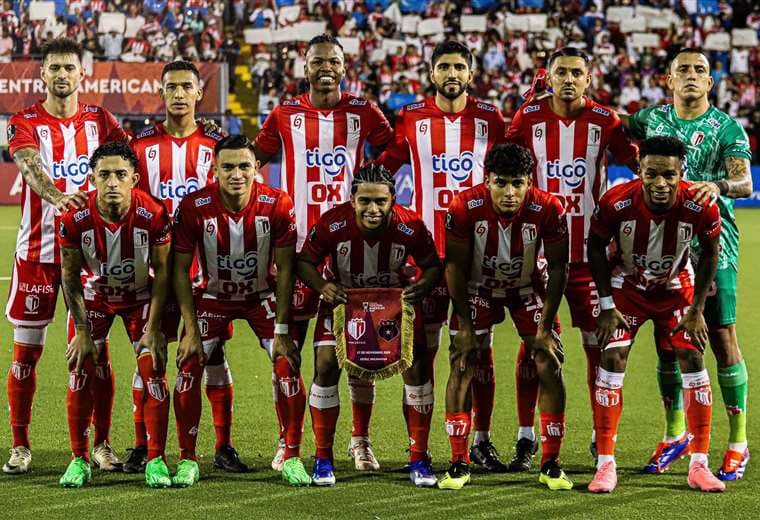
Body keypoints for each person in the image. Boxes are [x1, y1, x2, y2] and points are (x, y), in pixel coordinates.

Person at [253, 34, 393, 472]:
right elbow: (254, 157)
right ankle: (287, 439)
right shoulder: (285, 113)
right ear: (305, 66)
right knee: (287, 351)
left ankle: (360, 440)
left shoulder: (363, 112)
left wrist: (372, 190)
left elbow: (391, 148)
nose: (325, 67)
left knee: (356, 351)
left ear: (345, 65)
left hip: (349, 251)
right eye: (318, 62)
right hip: (295, 251)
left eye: (333, 60)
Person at [505, 47, 639, 470]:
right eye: (560, 72)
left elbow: (638, 165)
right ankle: (527, 437)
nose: (568, 79)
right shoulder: (530, 118)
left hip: (588, 256)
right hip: (536, 256)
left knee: (596, 347)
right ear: (549, 76)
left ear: (588, 77)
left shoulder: (606, 120)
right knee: (534, 348)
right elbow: (506, 160)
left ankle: (602, 440)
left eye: (576, 72)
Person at [622, 48, 753, 480]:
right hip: (662, 245)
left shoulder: (726, 128)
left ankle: (737, 442)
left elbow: (744, 182)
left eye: (701, 70)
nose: (693, 76)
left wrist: (714, 185)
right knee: (668, 339)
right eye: (684, 70)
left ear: (711, 83)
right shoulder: (650, 120)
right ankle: (675, 433)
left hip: (714, 245)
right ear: (668, 80)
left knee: (720, 334)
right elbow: (615, 130)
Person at [377, 40, 508, 471]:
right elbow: (385, 166)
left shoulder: (491, 118)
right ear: (431, 73)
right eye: (443, 67)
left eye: (459, 67)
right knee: (418, 354)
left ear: (471, 73)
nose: (451, 73)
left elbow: (514, 170)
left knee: (476, 352)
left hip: (479, 259)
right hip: (425, 257)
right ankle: (419, 449)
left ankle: (480, 441)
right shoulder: (412, 117)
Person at [3, 37, 128, 475]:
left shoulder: (100, 120)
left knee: (96, 352)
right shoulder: (24, 121)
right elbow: (29, 164)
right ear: (43, 74)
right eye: (53, 67)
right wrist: (58, 195)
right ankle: (20, 445)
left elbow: (131, 162)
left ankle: (103, 443)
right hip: (37, 254)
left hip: (91, 258)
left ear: (82, 73)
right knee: (26, 355)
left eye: (68, 68)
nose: (61, 75)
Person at [171, 135, 311, 487]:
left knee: (287, 364)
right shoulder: (193, 207)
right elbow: (179, 271)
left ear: (257, 169)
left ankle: (291, 453)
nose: (237, 174)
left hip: (260, 297)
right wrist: (189, 328)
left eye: (244, 166)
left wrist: (281, 332)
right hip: (211, 299)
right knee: (188, 366)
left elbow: (286, 271)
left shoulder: (277, 204)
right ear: (214, 170)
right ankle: (188, 458)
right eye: (228, 167)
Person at [586, 136, 725, 493]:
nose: (660, 183)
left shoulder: (700, 206)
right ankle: (605, 466)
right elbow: (596, 247)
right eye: (652, 174)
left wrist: (697, 310)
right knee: (613, 357)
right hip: (627, 287)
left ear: (682, 173)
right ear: (640, 170)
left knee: (691, 354)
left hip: (676, 287)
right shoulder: (616, 202)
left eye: (669, 175)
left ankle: (699, 464)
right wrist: (606, 305)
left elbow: (710, 253)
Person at [128, 60, 244, 475]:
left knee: (211, 355)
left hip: (207, 270)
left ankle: (223, 446)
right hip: (154, 271)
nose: (178, 94)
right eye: (171, 87)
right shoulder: (140, 148)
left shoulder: (218, 145)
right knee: (150, 352)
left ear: (199, 93)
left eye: (186, 87)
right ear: (161, 93)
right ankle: (142, 444)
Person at [297, 163, 443, 487]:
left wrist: (423, 285)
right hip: (342, 303)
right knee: (325, 366)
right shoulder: (332, 223)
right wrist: (322, 287)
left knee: (417, 370)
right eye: (365, 201)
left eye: (381, 201)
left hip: (393, 305)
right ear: (352, 200)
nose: (373, 209)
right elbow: (305, 261)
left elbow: (433, 265)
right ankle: (323, 458)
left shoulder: (411, 227)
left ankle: (419, 458)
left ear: (393, 198)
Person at [440, 143, 571, 491]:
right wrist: (465, 326)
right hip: (478, 288)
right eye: (501, 183)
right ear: (487, 181)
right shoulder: (464, 206)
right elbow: (453, 265)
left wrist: (545, 327)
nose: (509, 192)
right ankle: (459, 460)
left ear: (530, 182)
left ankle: (550, 461)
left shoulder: (549, 208)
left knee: (548, 359)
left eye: (518, 183)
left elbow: (559, 267)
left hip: (527, 288)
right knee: (464, 360)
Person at [58, 142, 172, 488]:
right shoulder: (73, 219)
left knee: (153, 370)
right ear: (91, 178)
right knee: (80, 369)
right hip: (94, 299)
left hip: (140, 299)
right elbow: (69, 275)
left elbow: (164, 272)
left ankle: (156, 459)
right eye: (104, 174)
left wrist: (154, 328)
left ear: (134, 178)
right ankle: (79, 458)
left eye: (120, 174)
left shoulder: (153, 213)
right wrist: (80, 329)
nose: (112, 182)